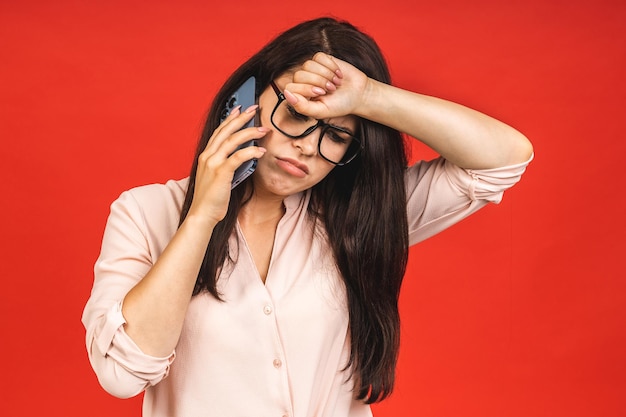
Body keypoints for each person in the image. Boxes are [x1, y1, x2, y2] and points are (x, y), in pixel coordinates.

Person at [82, 17, 533, 417]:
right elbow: (122, 374)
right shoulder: (143, 213)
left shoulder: (357, 220)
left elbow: (504, 159)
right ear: (246, 97)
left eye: (335, 135)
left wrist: (369, 98)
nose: (307, 146)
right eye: (296, 114)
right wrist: (202, 215)